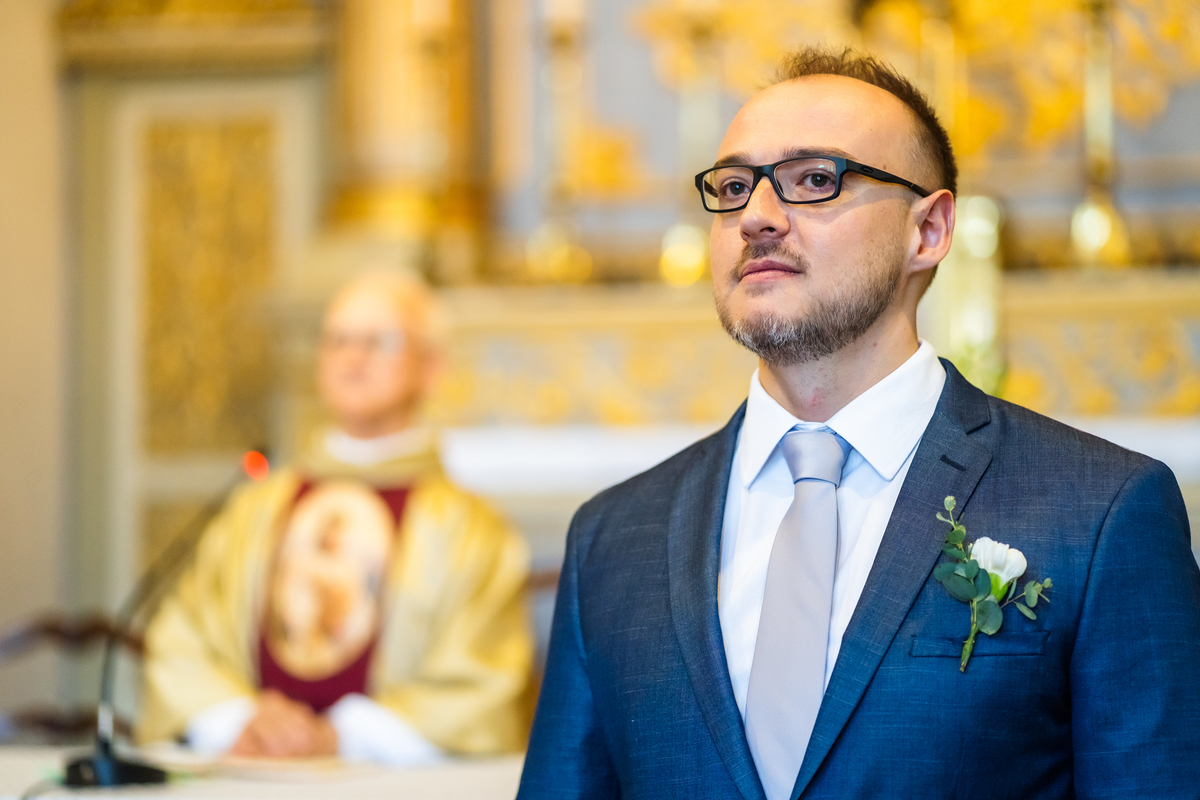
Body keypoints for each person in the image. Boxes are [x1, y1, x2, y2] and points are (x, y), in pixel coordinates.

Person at [518, 46, 1200, 799]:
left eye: (816, 180)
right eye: (735, 188)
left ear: (928, 231)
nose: (757, 218)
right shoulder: (613, 539)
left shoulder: (1099, 514)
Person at [137, 272, 534, 765]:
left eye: (378, 341)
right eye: (337, 340)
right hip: (253, 772)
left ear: (431, 368)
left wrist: (339, 737)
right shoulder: (257, 507)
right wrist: (244, 719)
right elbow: (182, 639)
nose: (353, 357)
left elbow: (481, 685)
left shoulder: (470, 528)